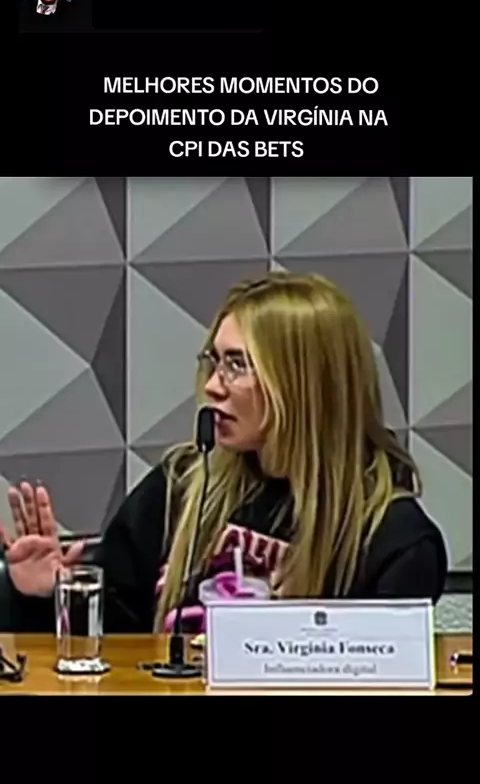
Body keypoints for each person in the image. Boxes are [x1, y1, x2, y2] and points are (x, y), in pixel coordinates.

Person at [0, 272, 448, 634]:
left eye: (237, 365)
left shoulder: (393, 540)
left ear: (305, 385)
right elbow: (115, 643)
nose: (213, 387)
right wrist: (42, 595)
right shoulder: (181, 487)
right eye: (213, 361)